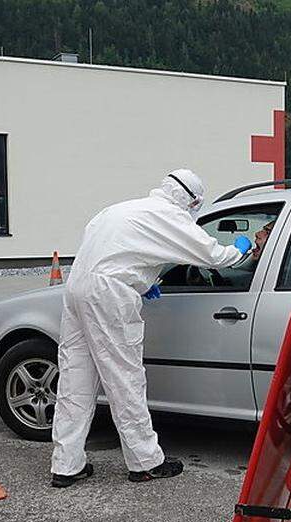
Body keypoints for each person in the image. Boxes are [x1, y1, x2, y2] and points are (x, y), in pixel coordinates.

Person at [50, 169, 253, 487]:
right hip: (110, 294)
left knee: (75, 379)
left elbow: (121, 252)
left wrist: (142, 283)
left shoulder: (120, 209)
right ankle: (145, 462)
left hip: (77, 287)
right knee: (124, 378)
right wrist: (241, 248)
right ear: (192, 200)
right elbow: (213, 256)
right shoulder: (172, 217)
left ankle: (66, 465)